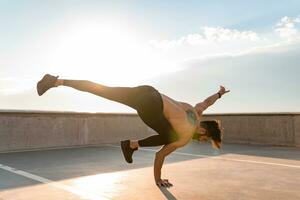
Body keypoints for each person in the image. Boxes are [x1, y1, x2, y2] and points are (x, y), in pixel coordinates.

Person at [37, 74, 230, 187]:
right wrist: (158, 180)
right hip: (150, 105)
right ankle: (131, 144)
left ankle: (55, 81)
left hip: (149, 91)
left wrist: (220, 94)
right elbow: (160, 155)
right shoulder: (185, 136)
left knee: (102, 89)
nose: (201, 142)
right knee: (170, 137)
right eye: (205, 140)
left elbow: (207, 101)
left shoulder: (195, 111)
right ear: (204, 132)